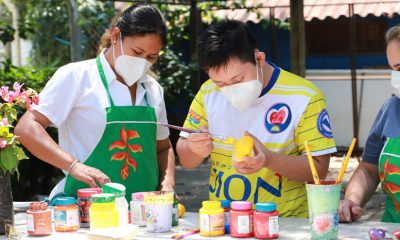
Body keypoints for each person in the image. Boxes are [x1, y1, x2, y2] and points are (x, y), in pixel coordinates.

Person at [176, 19, 336, 217]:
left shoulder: (304, 96)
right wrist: (195, 149)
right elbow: (185, 158)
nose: (229, 90)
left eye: (237, 80)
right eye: (220, 83)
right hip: (223, 222)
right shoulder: (208, 92)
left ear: (259, 59)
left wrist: (269, 159)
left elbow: (319, 169)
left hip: (285, 224)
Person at [15, 4, 175, 202]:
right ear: (116, 36)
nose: (143, 62)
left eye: (151, 57)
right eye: (137, 52)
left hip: (145, 213)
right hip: (87, 211)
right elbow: (27, 127)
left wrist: (167, 183)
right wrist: (73, 165)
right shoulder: (77, 77)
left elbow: (163, 147)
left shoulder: (152, 90)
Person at [339, 25, 400, 223]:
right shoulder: (392, 110)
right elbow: (368, 170)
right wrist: (351, 200)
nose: (396, 76)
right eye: (395, 69)